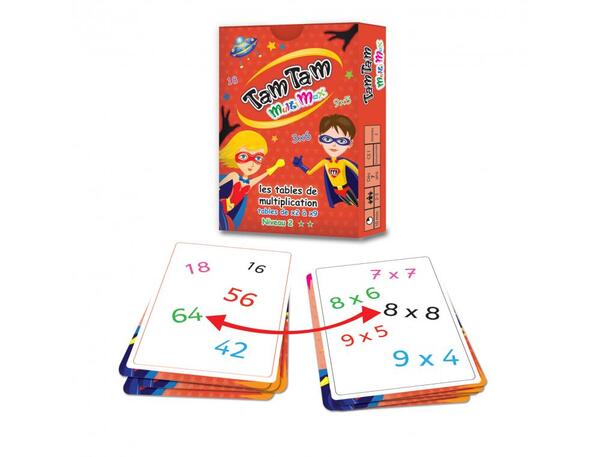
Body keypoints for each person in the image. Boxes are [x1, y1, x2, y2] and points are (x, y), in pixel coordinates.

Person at [219, 130, 284, 230]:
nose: (252, 164)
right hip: (221, 205)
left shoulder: (249, 183)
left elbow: (264, 175)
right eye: (244, 156)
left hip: (228, 211)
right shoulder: (234, 176)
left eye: (258, 158)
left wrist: (276, 166)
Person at [293, 114, 359, 207]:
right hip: (336, 191)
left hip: (347, 189)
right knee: (349, 205)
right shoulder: (325, 162)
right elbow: (310, 172)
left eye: (341, 141)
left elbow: (357, 172)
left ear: (350, 144)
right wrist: (301, 165)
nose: (334, 145)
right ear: (319, 139)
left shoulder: (343, 162)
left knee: (356, 204)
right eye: (327, 139)